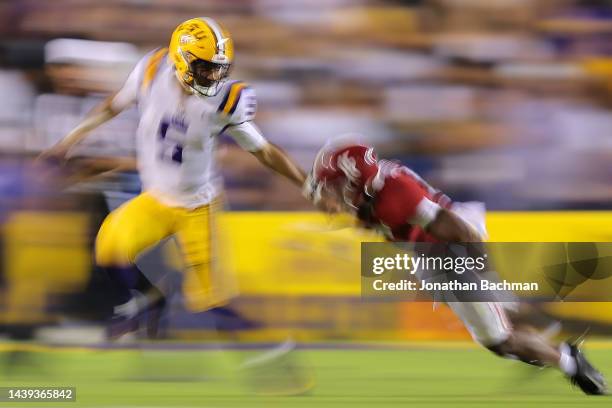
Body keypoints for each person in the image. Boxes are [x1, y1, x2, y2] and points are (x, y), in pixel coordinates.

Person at [41, 17, 308, 320]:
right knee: (109, 248)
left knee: (209, 303)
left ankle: (266, 353)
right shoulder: (152, 71)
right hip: (156, 199)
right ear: (182, 60)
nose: (213, 76)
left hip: (197, 207)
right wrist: (69, 140)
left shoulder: (226, 101)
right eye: (205, 68)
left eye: (219, 69)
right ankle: (151, 301)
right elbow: (112, 106)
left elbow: (265, 150)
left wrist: (307, 184)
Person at [303, 139, 607, 395]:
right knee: (501, 325)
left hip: (448, 249)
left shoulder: (395, 194)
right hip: (429, 251)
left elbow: (460, 232)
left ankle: (569, 362)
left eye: (337, 185)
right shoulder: (371, 191)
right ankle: (537, 332)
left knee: (499, 340)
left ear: (357, 183)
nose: (331, 191)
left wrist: (484, 274)